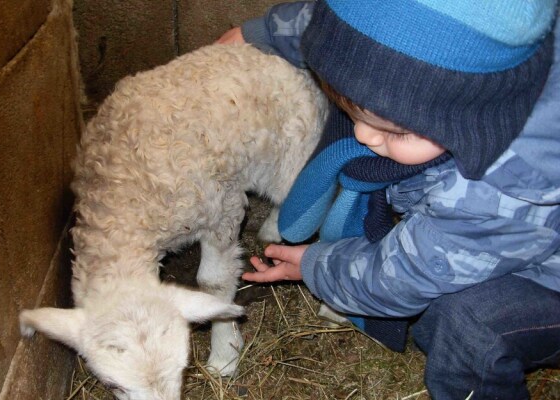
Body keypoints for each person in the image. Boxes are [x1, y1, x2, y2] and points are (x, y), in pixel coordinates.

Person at [217, 1, 560, 399]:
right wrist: (264, 33)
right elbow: (356, 23)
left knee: (463, 324)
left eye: (394, 130)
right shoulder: (480, 34)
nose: (363, 136)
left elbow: (400, 278)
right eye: (351, 108)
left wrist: (315, 266)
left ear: (468, 116)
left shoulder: (497, 191)